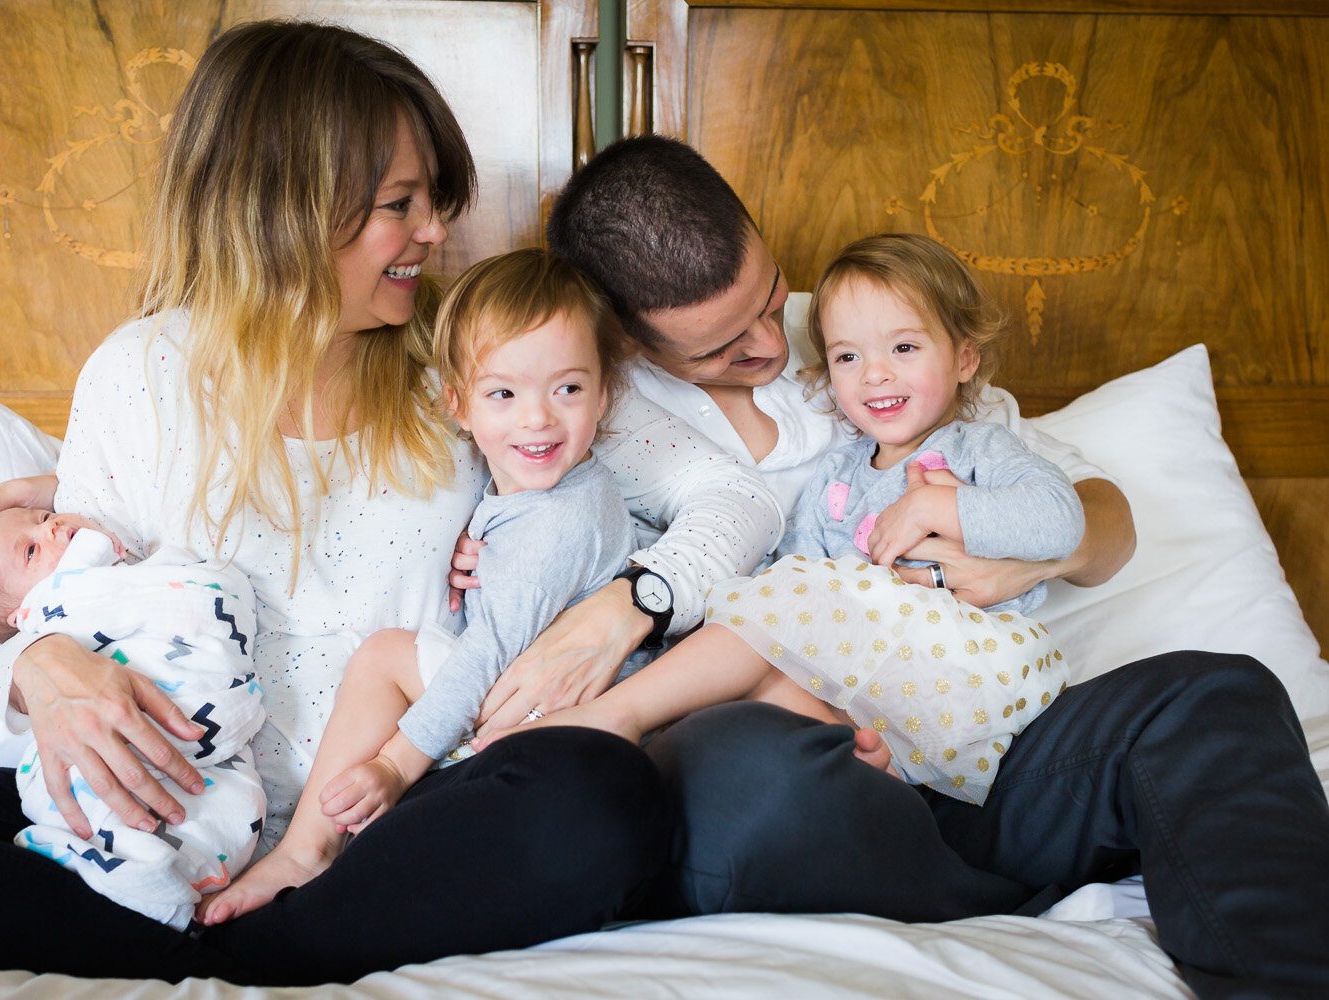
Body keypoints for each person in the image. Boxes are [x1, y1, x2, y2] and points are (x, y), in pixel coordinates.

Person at [0, 21, 707, 984]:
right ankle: (205, 926)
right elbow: (81, 602)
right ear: (288, 208)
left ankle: (241, 939)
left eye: (433, 201)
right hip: (172, 813)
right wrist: (39, 661)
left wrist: (632, 605)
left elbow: (732, 502)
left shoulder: (471, 372)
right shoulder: (137, 375)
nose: (436, 232)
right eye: (400, 204)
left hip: (383, 816)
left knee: (604, 797)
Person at [535, 134, 1329, 1000]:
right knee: (746, 775)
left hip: (978, 746)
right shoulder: (582, 410)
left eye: (769, 296)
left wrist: (1022, 560)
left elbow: (1101, 521)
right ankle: (1009, 889)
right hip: (802, 763)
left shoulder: (870, 323)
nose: (772, 340)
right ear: (633, 341)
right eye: (721, 346)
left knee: (1218, 697)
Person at [482, 232, 1085, 805]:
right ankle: (868, 764)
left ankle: (613, 717)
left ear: (965, 358)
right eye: (848, 356)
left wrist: (939, 505)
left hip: (961, 664)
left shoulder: (977, 448)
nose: (875, 374)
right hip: (874, 686)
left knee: (767, 620)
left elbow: (1062, 520)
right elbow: (790, 574)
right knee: (760, 668)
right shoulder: (840, 470)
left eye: (904, 348)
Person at [201, 247, 652, 924]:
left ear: (604, 394)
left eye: (568, 389)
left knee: (385, 655)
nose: (537, 419)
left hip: (557, 712)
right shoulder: (546, 494)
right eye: (504, 393)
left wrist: (395, 762)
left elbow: (488, 652)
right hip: (549, 708)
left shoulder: (555, 522)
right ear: (458, 404)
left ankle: (303, 849)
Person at [0, 507, 266, 930]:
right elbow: (71, 605)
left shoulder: (137, 576)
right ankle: (138, 874)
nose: (53, 527)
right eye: (30, 550)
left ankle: (159, 875)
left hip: (201, 731)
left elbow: (206, 597)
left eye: (43, 516)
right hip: (107, 752)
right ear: (22, 615)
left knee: (225, 809)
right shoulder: (58, 607)